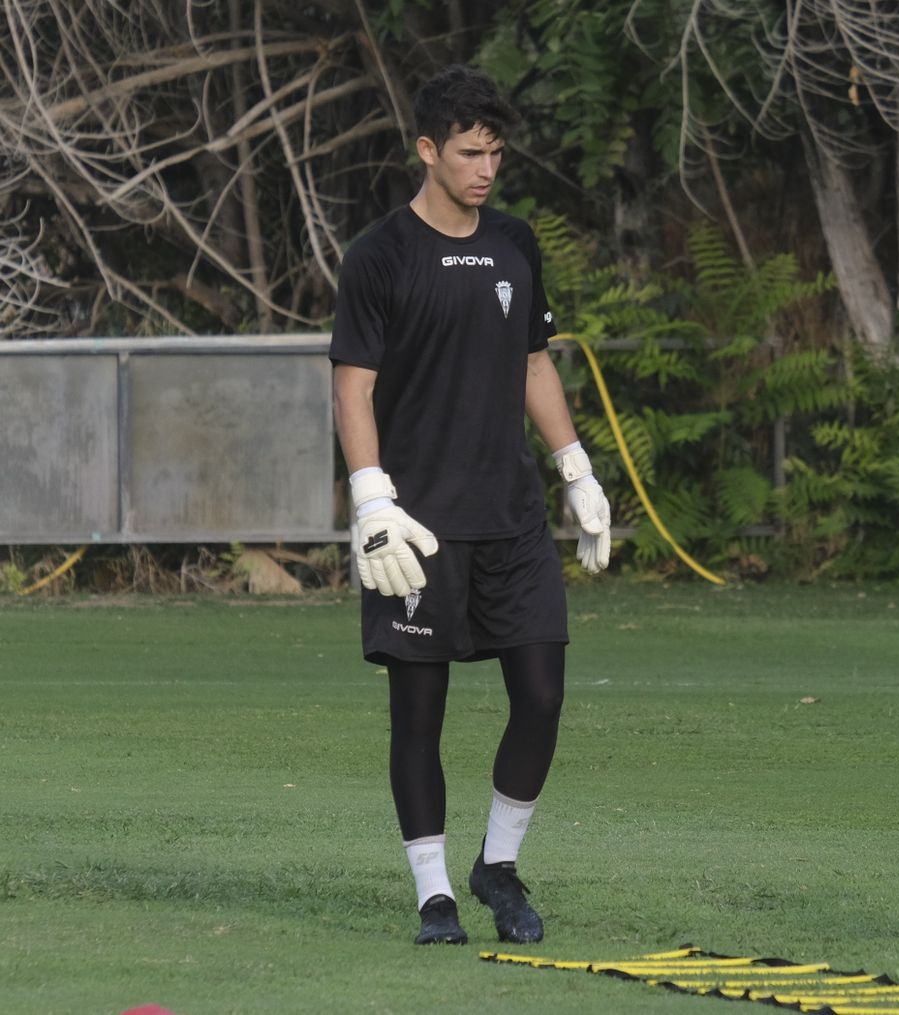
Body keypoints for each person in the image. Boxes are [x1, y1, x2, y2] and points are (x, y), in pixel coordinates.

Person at [329, 65, 612, 946]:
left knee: (542, 693)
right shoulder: (379, 254)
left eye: (495, 152)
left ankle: (497, 864)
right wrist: (372, 498)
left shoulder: (516, 243)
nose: (486, 168)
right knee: (420, 714)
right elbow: (353, 386)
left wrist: (577, 469)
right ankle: (433, 894)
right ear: (427, 150)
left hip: (513, 519)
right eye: (468, 153)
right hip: (415, 527)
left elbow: (534, 363)